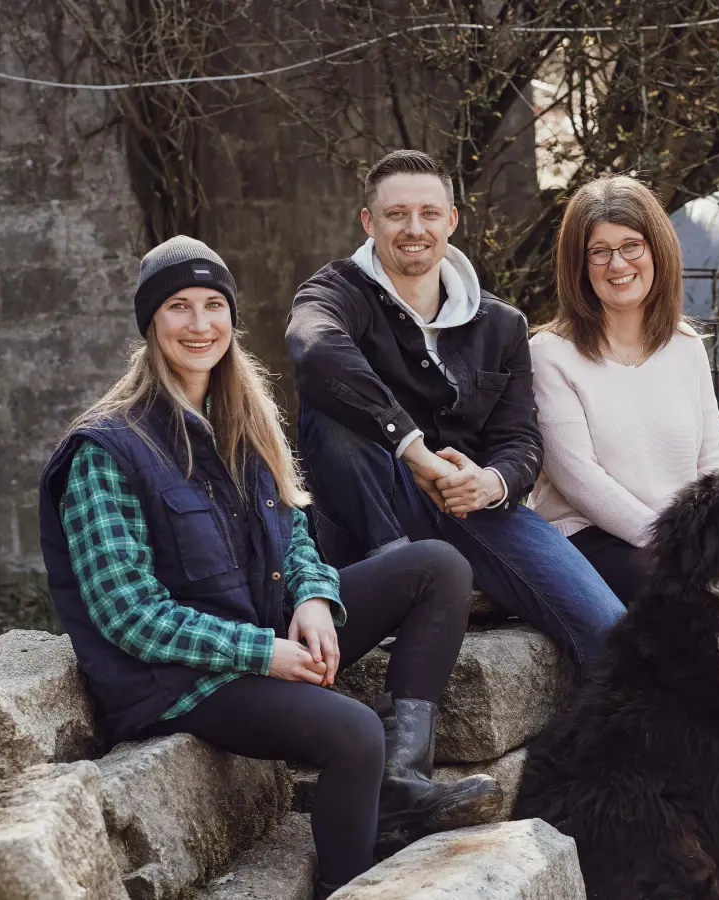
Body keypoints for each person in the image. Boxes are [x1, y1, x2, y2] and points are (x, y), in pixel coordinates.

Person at [38, 236, 500, 900]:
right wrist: (266, 653)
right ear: (150, 322)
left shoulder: (241, 417)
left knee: (435, 567)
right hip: (179, 677)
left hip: (262, 623)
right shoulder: (107, 449)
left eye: (212, 306)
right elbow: (128, 614)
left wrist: (313, 599)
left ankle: (400, 787)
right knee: (353, 730)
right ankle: (347, 882)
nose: (199, 325)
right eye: (178, 307)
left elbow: (293, 532)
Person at [286, 150, 625, 674]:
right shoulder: (335, 292)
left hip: (474, 505)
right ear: (368, 222)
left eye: (428, 213)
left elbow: (520, 440)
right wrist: (415, 451)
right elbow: (314, 350)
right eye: (396, 214)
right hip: (373, 508)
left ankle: (596, 751)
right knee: (331, 409)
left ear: (452, 220)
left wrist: (492, 482)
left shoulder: (501, 323)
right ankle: (399, 575)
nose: (413, 228)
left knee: (609, 632)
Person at [529, 174, 719, 605]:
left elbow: (711, 463)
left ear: (657, 250)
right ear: (579, 267)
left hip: (677, 542)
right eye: (599, 252)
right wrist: (671, 542)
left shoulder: (686, 347)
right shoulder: (549, 354)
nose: (618, 265)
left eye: (631, 246)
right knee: (680, 598)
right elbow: (580, 480)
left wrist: (716, 536)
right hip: (588, 540)